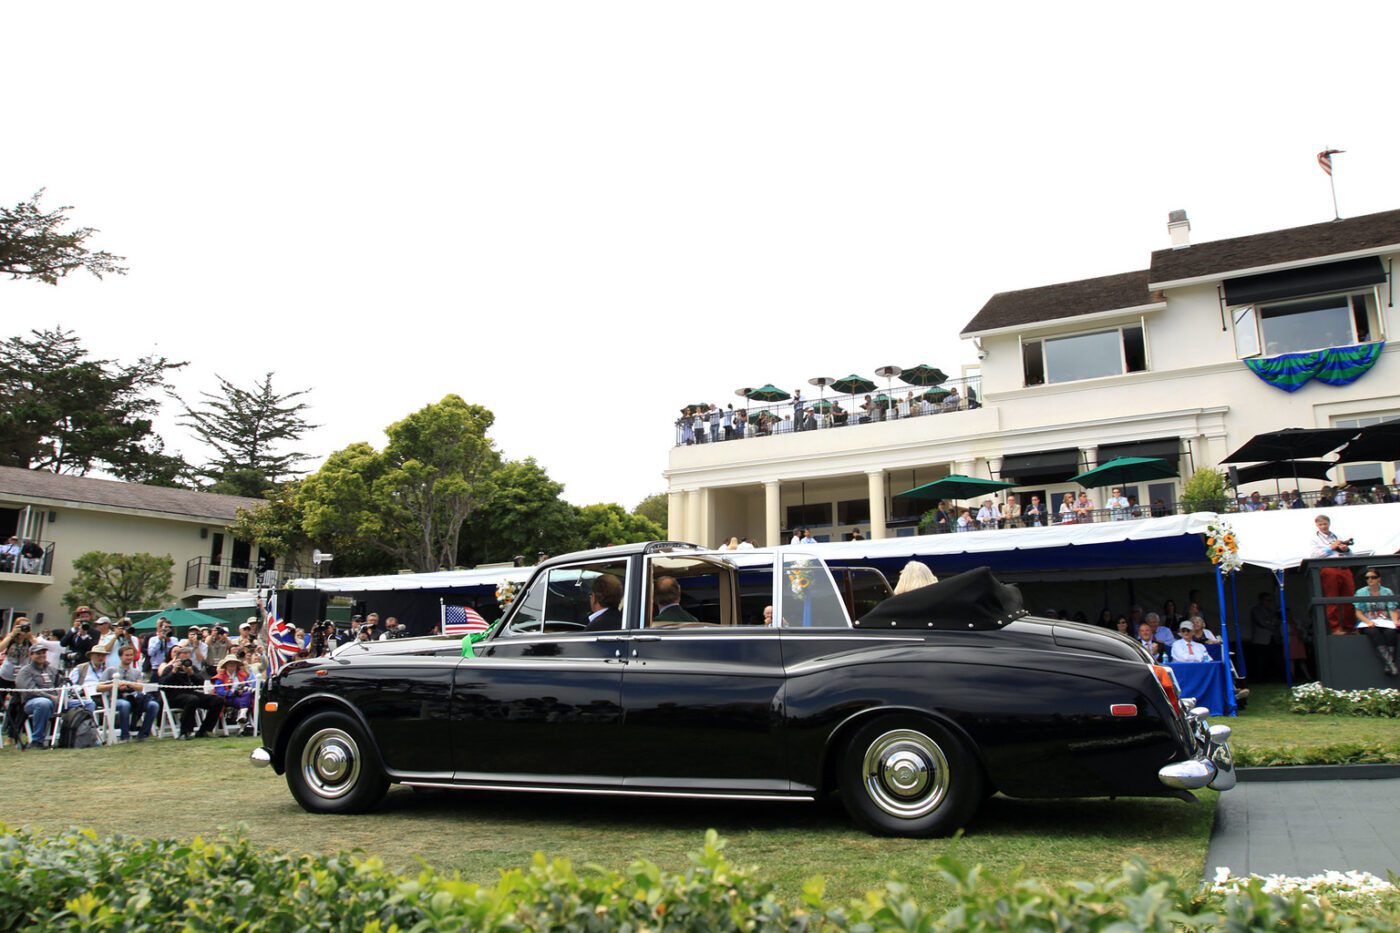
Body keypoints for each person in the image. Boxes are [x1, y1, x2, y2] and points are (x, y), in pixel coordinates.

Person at [158, 643, 224, 739]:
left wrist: (191, 674)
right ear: (177, 658)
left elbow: (201, 684)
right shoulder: (169, 668)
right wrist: (173, 672)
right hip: (173, 696)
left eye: (187, 658)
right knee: (192, 699)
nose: (185, 661)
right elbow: (163, 685)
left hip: (191, 693)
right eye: (183, 658)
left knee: (218, 700)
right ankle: (185, 732)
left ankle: (205, 730)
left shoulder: (192, 668)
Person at [1309, 514, 1357, 634]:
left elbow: (1351, 555)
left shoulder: (1337, 536)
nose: (1323, 526)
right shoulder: (1314, 539)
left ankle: (1350, 627)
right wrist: (1331, 548)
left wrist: (1346, 549)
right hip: (1329, 568)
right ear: (1317, 525)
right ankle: (1335, 628)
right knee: (1332, 599)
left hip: (1344, 567)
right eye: (1320, 524)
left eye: (1325, 524)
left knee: (1350, 599)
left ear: (1329, 524)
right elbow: (1314, 555)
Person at [103, 644, 160, 742]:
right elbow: (99, 687)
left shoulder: (136, 672)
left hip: (135, 699)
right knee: (125, 705)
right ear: (120, 656)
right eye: (126, 655)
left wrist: (129, 685)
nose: (129, 657)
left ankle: (143, 734)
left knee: (154, 705)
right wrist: (115, 685)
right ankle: (125, 736)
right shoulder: (110, 670)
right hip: (116, 699)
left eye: (131, 655)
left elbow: (140, 687)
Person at [16, 643, 65, 747]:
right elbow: (29, 690)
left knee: (87, 703)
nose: (42, 655)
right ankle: (37, 741)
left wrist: (62, 694)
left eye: (43, 653)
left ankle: (82, 737)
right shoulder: (25, 670)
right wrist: (50, 697)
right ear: (31, 655)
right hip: (33, 701)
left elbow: (60, 684)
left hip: (56, 700)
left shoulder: (51, 669)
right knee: (43, 703)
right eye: (38, 653)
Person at [1354, 568, 1400, 676]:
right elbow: (1358, 613)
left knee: (1391, 632)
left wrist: (1395, 621)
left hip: (1385, 621)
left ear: (1379, 578)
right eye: (1367, 578)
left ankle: (1388, 664)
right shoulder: (1361, 592)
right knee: (1373, 632)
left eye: (1373, 577)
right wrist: (1368, 622)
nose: (1370, 580)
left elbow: (1392, 609)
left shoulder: (1387, 591)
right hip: (1368, 622)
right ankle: (1391, 663)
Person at [212, 655, 258, 734]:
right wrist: (232, 693)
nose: (232, 665)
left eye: (234, 663)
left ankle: (242, 716)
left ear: (237, 665)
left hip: (242, 697)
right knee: (246, 700)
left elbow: (247, 686)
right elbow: (219, 691)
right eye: (230, 663)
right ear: (226, 665)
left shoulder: (242, 675)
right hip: (227, 698)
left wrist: (242, 690)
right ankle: (243, 720)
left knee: (247, 694)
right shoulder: (220, 677)